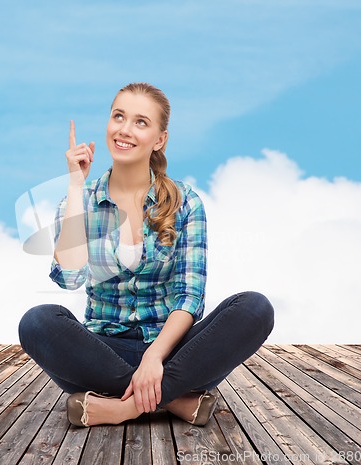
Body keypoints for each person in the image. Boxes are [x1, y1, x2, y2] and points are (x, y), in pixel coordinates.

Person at [18, 82, 274, 427]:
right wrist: (76, 186)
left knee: (255, 308)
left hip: (174, 352)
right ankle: (173, 400)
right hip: (103, 352)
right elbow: (69, 277)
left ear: (159, 139)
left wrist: (155, 357)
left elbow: (190, 296)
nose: (125, 130)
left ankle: (123, 407)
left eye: (140, 122)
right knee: (37, 321)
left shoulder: (186, 201)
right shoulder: (78, 201)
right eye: (119, 116)